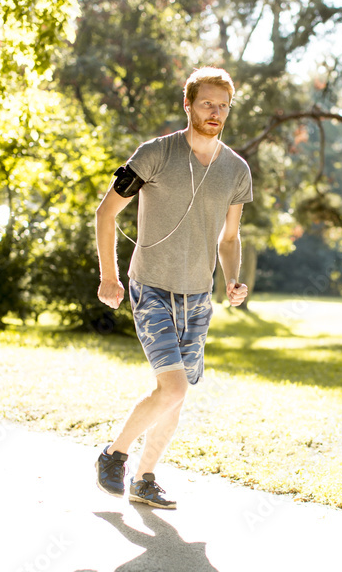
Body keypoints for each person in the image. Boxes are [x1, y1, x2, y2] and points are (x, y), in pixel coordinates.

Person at [94, 66, 253, 509]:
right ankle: (114, 455)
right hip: (152, 288)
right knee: (175, 389)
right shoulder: (155, 154)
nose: (216, 112)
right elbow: (106, 213)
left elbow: (229, 237)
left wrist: (233, 279)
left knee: (174, 393)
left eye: (223, 105)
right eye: (207, 103)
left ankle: (145, 478)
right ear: (188, 104)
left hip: (198, 296)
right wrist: (109, 275)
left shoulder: (236, 171)